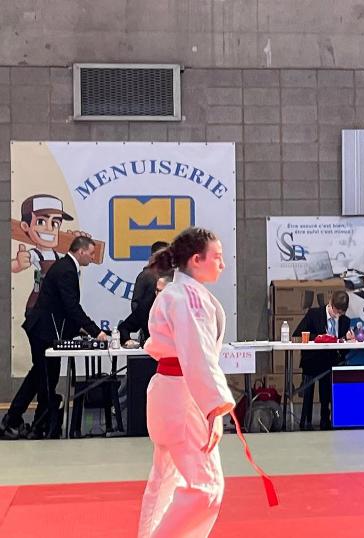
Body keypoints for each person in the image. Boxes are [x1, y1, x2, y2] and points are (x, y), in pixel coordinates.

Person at [137, 227, 235, 538]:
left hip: (168, 391)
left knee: (164, 481)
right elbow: (198, 354)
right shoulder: (188, 298)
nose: (222, 264)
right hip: (185, 395)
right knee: (206, 488)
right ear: (196, 260)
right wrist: (214, 408)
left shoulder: (175, 293)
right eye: (217, 257)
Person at [1, 236, 107, 440]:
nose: (93, 257)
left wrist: (81, 329)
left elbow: (64, 307)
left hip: (47, 329)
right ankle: (29, 422)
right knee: (46, 378)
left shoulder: (66, 267)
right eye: (91, 253)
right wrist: (96, 331)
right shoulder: (66, 270)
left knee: (40, 376)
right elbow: (71, 306)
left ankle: (25, 421)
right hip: (43, 330)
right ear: (81, 251)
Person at [292, 290, 354, 430]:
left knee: (328, 385)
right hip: (312, 360)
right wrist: (319, 338)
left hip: (331, 362)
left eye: (341, 313)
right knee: (311, 384)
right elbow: (297, 334)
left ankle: (326, 421)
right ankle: (306, 421)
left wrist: (347, 341)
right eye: (335, 311)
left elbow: (344, 350)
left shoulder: (345, 321)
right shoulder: (314, 314)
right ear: (330, 304)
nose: (337, 315)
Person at [129, 241, 169, 337]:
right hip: (149, 328)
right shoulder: (146, 275)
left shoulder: (172, 276)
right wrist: (145, 323)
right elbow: (135, 303)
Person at [120, 275, 172, 347]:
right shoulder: (147, 305)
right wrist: (127, 340)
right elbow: (124, 327)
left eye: (162, 291)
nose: (158, 294)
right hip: (152, 350)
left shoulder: (182, 307)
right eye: (157, 290)